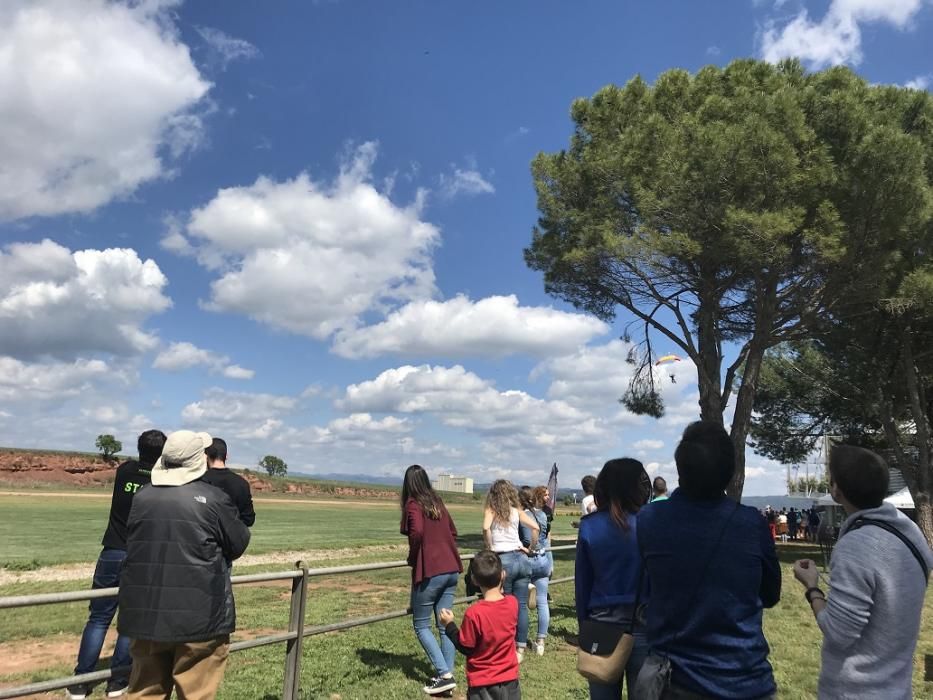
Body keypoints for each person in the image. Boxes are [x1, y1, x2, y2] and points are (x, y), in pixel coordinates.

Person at [636, 421, 781, 699]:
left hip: (675, 681)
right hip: (746, 679)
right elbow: (771, 594)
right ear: (730, 472)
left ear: (681, 471)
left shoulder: (650, 520)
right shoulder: (751, 524)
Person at [118, 430, 251, 700]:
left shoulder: (142, 497)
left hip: (145, 614)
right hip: (200, 617)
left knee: (144, 691)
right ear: (198, 460)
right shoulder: (213, 499)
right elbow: (238, 543)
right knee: (196, 692)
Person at [793, 445, 933, 699]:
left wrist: (812, 587)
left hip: (856, 691)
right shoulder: (910, 531)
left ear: (836, 489)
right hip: (897, 688)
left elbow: (838, 632)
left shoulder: (856, 546)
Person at [67, 430, 167, 700]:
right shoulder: (161, 481)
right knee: (129, 620)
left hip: (112, 550)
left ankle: (81, 681)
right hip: (141, 556)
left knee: (98, 618)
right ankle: (117, 681)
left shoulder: (124, 471)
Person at [576, 458, 651, 699]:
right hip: (644, 624)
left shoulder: (589, 526)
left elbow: (582, 585)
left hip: (600, 627)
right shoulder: (651, 523)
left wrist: (583, 627)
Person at [400, 464, 463, 696]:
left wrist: (414, 555)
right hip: (451, 569)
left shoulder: (414, 504)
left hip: (431, 571)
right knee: (444, 623)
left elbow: (416, 532)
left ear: (408, 484)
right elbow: (453, 531)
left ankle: (444, 675)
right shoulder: (437, 502)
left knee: (421, 625)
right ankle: (447, 674)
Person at [440, 550, 521, 700]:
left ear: (474, 580)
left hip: (482, 682)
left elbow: (466, 646)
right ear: (503, 575)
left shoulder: (474, 613)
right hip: (510, 679)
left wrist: (449, 625)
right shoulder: (513, 603)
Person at [483, 480, 539, 663]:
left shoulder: (491, 509)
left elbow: (485, 528)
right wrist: (530, 548)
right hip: (521, 558)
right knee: (521, 605)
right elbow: (535, 528)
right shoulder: (517, 512)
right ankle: (521, 647)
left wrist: (489, 547)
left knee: (504, 604)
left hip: (504, 559)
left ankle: (506, 645)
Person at [518, 486, 552, 656]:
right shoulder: (543, 515)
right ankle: (540, 642)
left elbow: (525, 538)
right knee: (543, 601)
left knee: (521, 604)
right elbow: (545, 539)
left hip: (528, 559)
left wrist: (527, 548)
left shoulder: (523, 516)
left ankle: (520, 642)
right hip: (543, 559)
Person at [200, 437, 256, 526]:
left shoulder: (199, 481)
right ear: (226, 456)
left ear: (206, 456)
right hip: (233, 537)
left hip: (205, 536)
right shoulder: (242, 483)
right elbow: (249, 519)